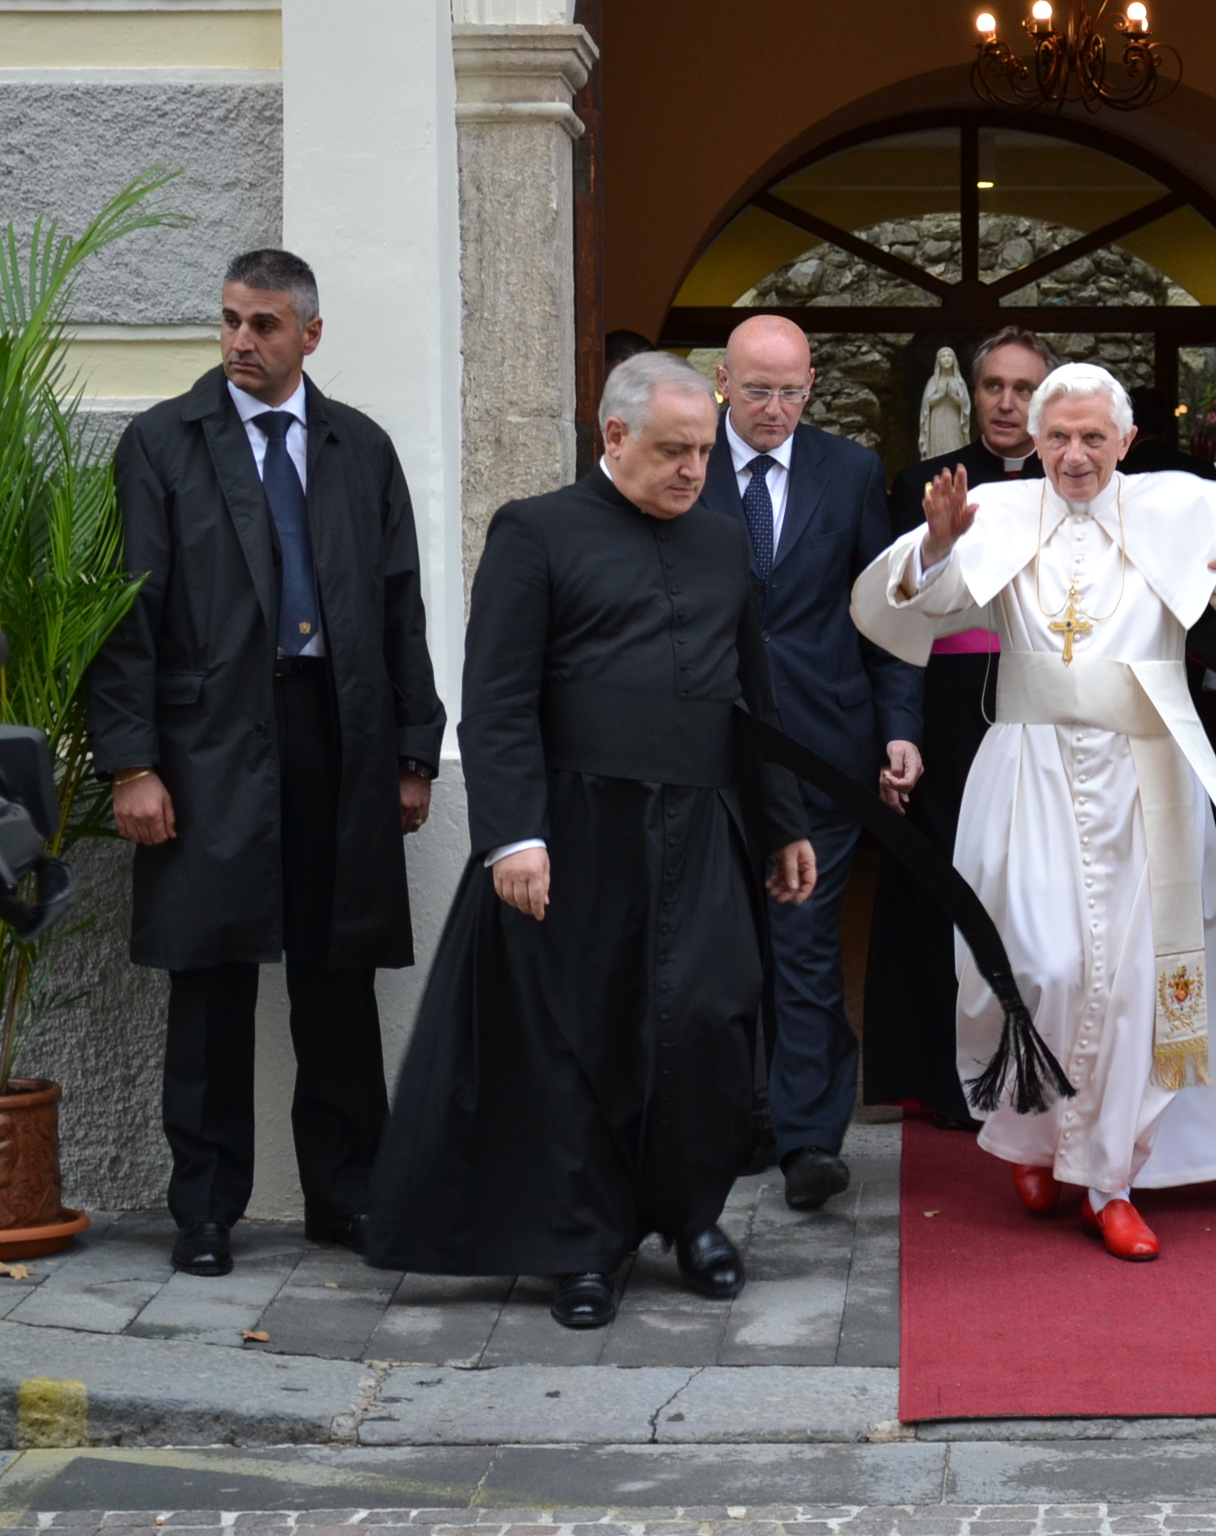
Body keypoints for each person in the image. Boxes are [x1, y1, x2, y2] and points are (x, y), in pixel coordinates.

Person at [851, 362, 1216, 1260]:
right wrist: (932, 546)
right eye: (1059, 438)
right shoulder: (997, 514)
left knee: (1132, 988)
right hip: (1030, 773)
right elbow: (916, 609)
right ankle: (1032, 1133)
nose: (1075, 455)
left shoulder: (1171, 508)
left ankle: (1109, 1178)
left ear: (1126, 441)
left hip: (1145, 781)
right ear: (1035, 442)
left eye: (1094, 438)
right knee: (1034, 967)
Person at [365, 353, 818, 1329]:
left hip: (702, 829)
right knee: (579, 1042)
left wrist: (780, 823)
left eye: (704, 451)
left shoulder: (721, 545)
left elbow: (753, 698)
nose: (695, 470)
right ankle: (580, 1244)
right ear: (614, 437)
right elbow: (496, 699)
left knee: (707, 1025)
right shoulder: (536, 532)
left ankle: (691, 1220)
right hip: (574, 831)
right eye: (673, 450)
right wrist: (512, 836)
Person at [88, 249, 444, 1280]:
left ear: (310, 337)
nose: (242, 341)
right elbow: (128, 617)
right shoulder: (163, 443)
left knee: (336, 981)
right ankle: (203, 1210)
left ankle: (348, 1196)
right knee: (211, 983)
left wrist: (414, 751)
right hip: (205, 749)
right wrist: (131, 765)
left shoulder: (359, 448)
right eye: (233, 321)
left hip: (340, 735)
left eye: (265, 325)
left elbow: (398, 610)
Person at [698, 315, 923, 1211]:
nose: (776, 409)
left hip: (824, 747)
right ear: (723, 381)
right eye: (758, 390)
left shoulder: (851, 471)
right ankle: (732, 1120)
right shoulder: (689, 460)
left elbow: (886, 613)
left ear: (813, 385)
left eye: (793, 391)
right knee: (718, 946)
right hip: (709, 749)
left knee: (803, 948)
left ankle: (807, 1141)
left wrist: (899, 725)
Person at [867, 326, 1058, 1126]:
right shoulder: (921, 481)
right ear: (971, 393)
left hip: (1045, 707)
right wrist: (898, 727)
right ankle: (947, 1077)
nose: (1008, 403)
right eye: (995, 387)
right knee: (942, 885)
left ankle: (1041, 1062)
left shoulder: (1072, 478)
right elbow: (896, 623)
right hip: (948, 710)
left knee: (1041, 897)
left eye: (1025, 389)